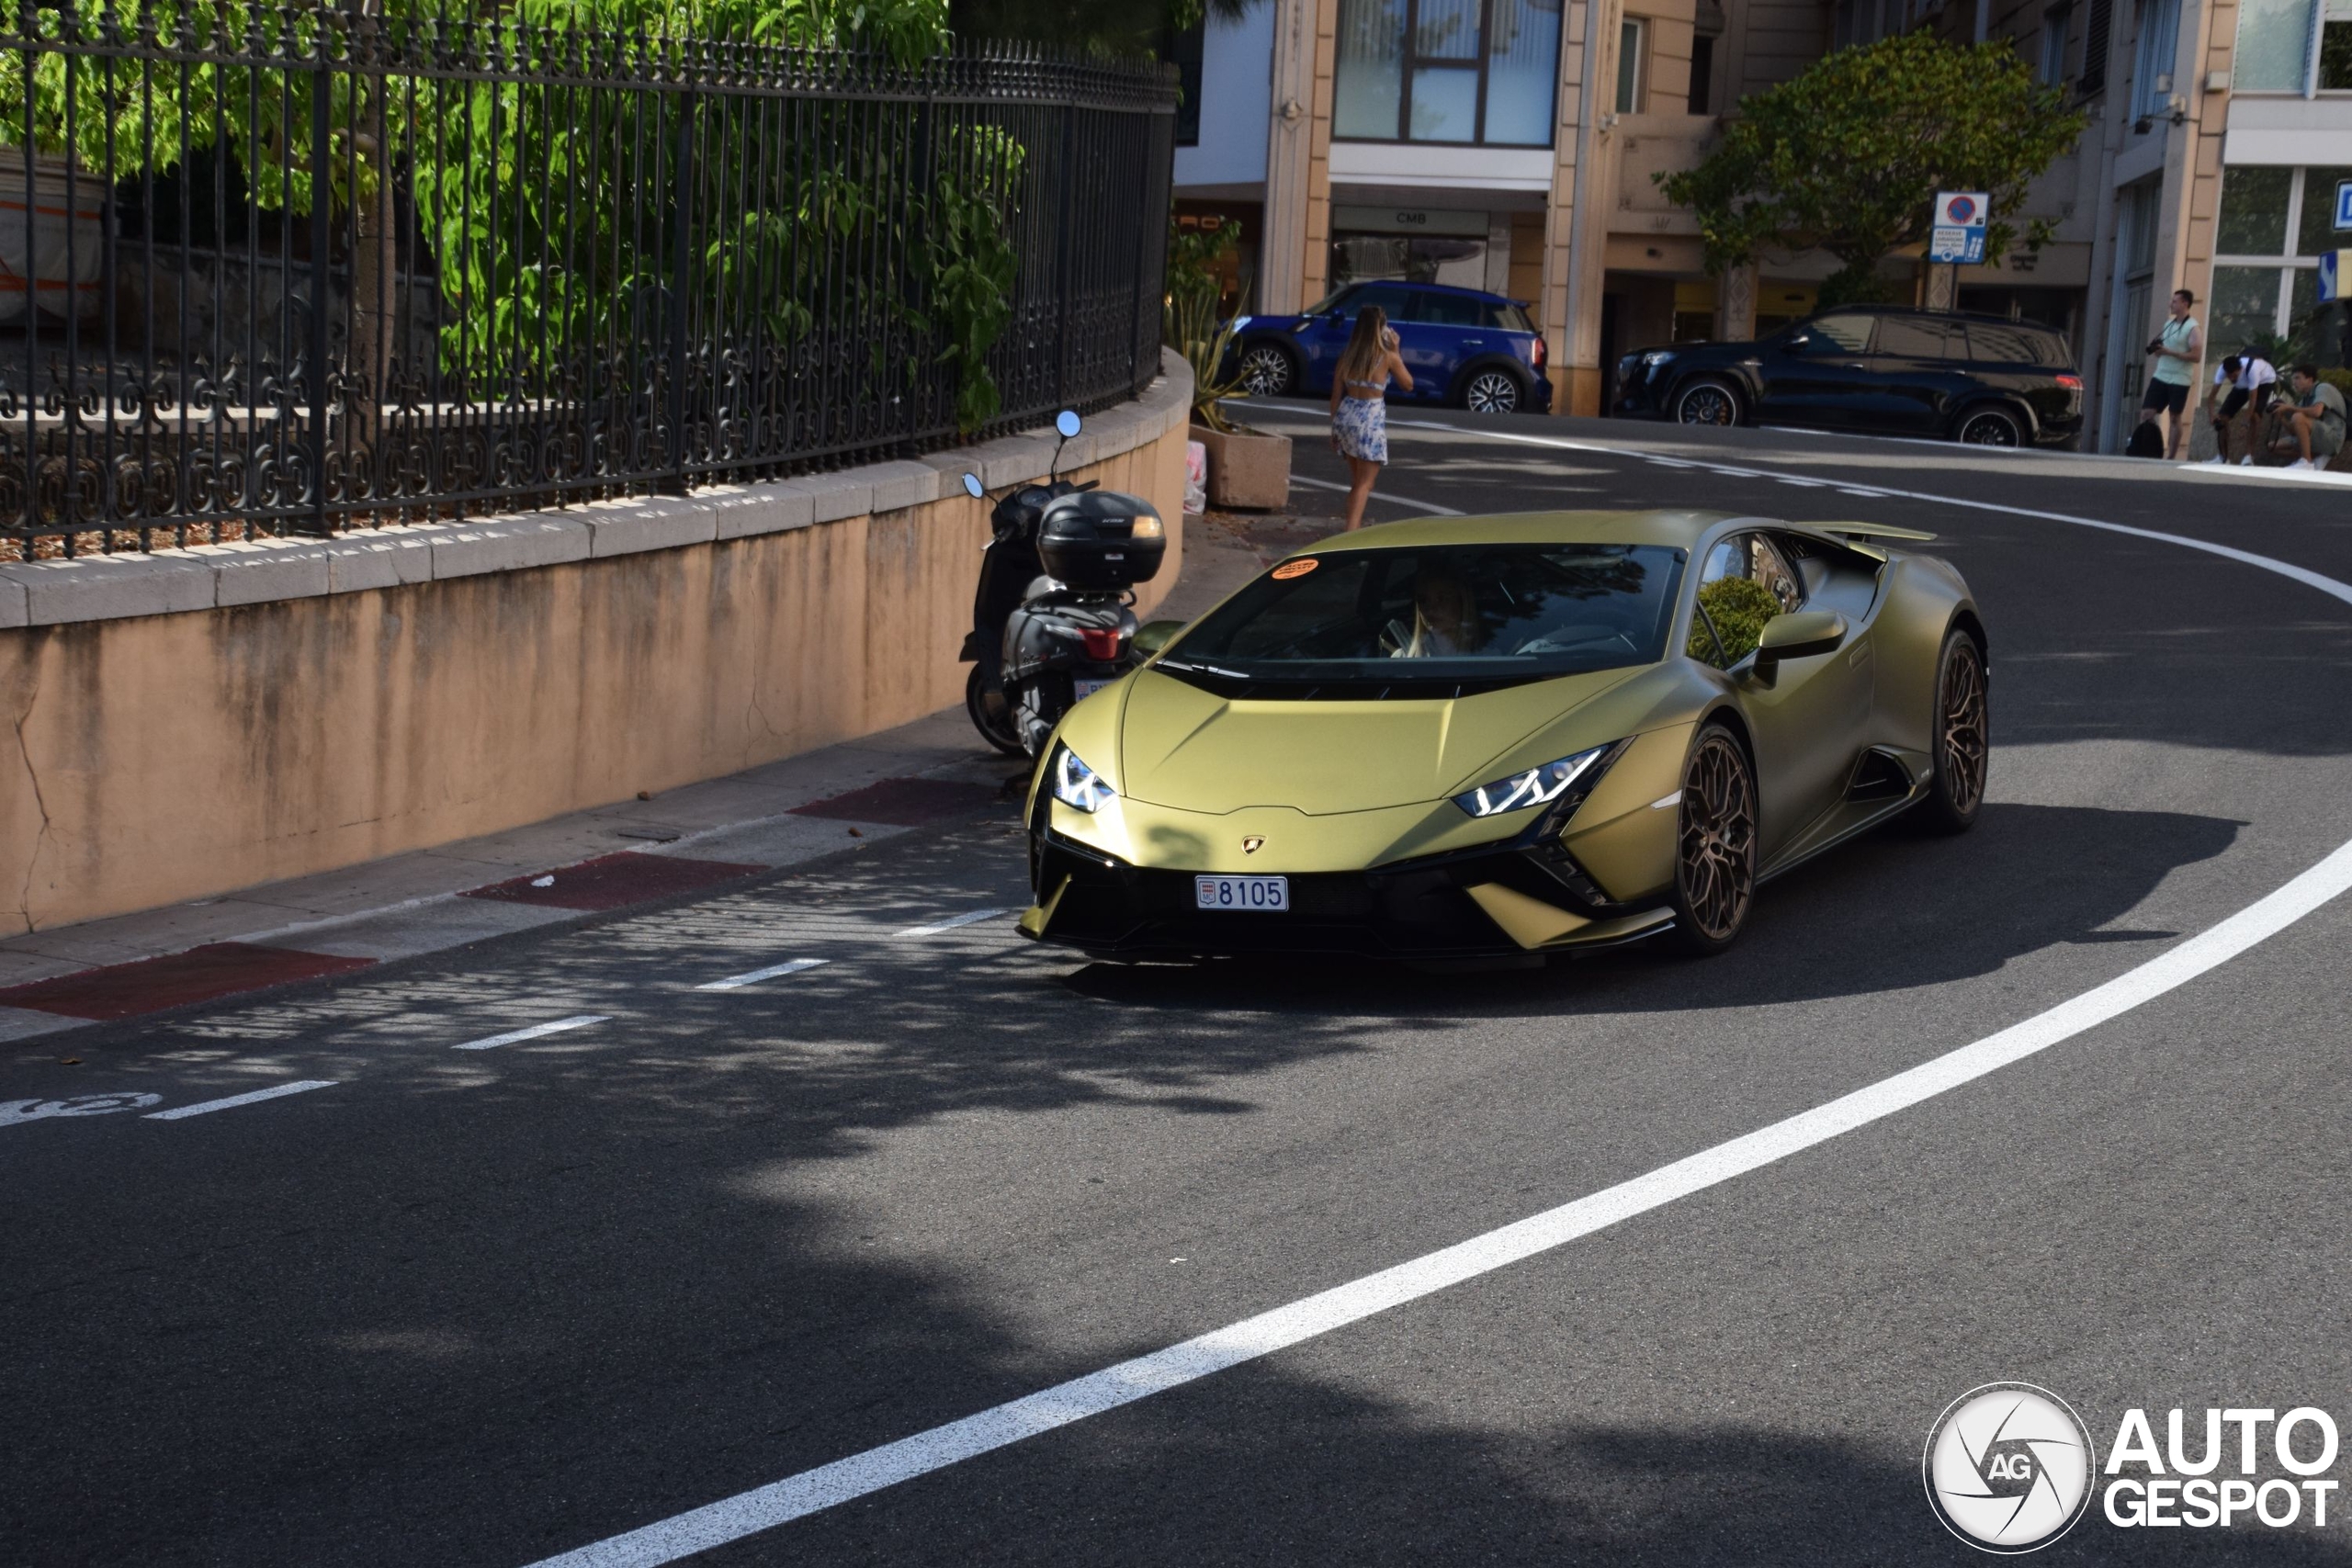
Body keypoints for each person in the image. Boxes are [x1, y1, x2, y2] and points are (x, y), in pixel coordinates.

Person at [1329, 304, 1414, 531]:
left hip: (1346, 417)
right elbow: (1408, 384)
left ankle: (1352, 526)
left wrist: (1334, 429)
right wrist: (1396, 350)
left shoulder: (1347, 355)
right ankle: (1351, 533)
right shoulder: (1387, 357)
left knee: (1358, 483)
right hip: (1369, 420)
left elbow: (1336, 396)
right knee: (1365, 485)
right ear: (1381, 329)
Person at [2139, 289, 2201, 460]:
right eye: (2171, 301)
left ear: (2185, 304)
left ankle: (2172, 456)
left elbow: (2196, 356)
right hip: (2161, 375)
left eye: (2175, 301)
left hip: (2180, 378)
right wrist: (2158, 351)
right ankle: (2148, 449)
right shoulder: (2169, 324)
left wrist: (2171, 352)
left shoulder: (2193, 328)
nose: (2171, 304)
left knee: (2174, 417)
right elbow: (2162, 352)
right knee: (2147, 413)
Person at [2265, 364, 2346, 470]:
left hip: (2333, 435)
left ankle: (2306, 462)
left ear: (2310, 379)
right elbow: (2294, 431)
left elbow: (2316, 412)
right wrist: (2280, 416)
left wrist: (2289, 407)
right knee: (2272, 446)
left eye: (2297, 378)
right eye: (2293, 379)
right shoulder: (2305, 399)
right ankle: (2313, 457)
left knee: (2298, 417)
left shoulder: (2323, 388)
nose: (2294, 382)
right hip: (2318, 435)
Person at [2202, 352, 2276, 465]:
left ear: (2240, 369)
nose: (2232, 378)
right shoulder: (2222, 370)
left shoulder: (2252, 369)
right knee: (2222, 418)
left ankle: (2248, 456)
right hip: (2242, 386)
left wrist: (2245, 424)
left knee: (2255, 417)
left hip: (2264, 382)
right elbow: (2211, 397)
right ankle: (2223, 457)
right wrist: (2212, 416)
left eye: (2234, 375)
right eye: (2229, 376)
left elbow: (2252, 400)